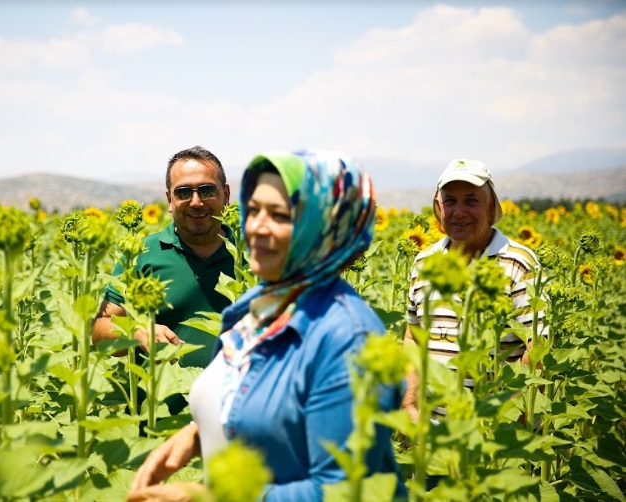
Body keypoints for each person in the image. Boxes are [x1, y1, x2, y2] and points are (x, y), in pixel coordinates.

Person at [127, 150, 407, 501]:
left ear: (322, 227)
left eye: (280, 215)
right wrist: (198, 435)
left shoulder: (347, 337)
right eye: (254, 209)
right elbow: (255, 404)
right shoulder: (256, 306)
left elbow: (347, 490)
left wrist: (209, 497)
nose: (256, 225)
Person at [401, 158, 546, 421]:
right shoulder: (424, 262)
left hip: (493, 439)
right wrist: (408, 404)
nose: (459, 212)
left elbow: (537, 348)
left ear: (491, 208)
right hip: (431, 433)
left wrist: (504, 423)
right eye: (450, 201)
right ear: (438, 208)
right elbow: (413, 338)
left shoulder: (518, 262)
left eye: (471, 200)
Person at [92, 145, 235, 369]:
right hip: (157, 403)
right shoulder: (140, 254)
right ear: (170, 200)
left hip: (238, 401)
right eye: (183, 192)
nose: (196, 202)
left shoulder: (255, 252)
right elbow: (100, 332)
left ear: (225, 195)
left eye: (206, 190)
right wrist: (137, 332)